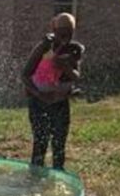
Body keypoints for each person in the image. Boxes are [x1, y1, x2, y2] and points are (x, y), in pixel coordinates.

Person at [21, 13, 84, 171]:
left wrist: (65, 67)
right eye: (61, 31)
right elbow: (25, 75)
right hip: (39, 103)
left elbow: (76, 76)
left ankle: (57, 179)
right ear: (53, 29)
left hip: (60, 104)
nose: (65, 35)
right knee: (40, 143)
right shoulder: (44, 47)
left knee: (59, 144)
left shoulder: (73, 49)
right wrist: (40, 95)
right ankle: (35, 179)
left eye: (69, 31)